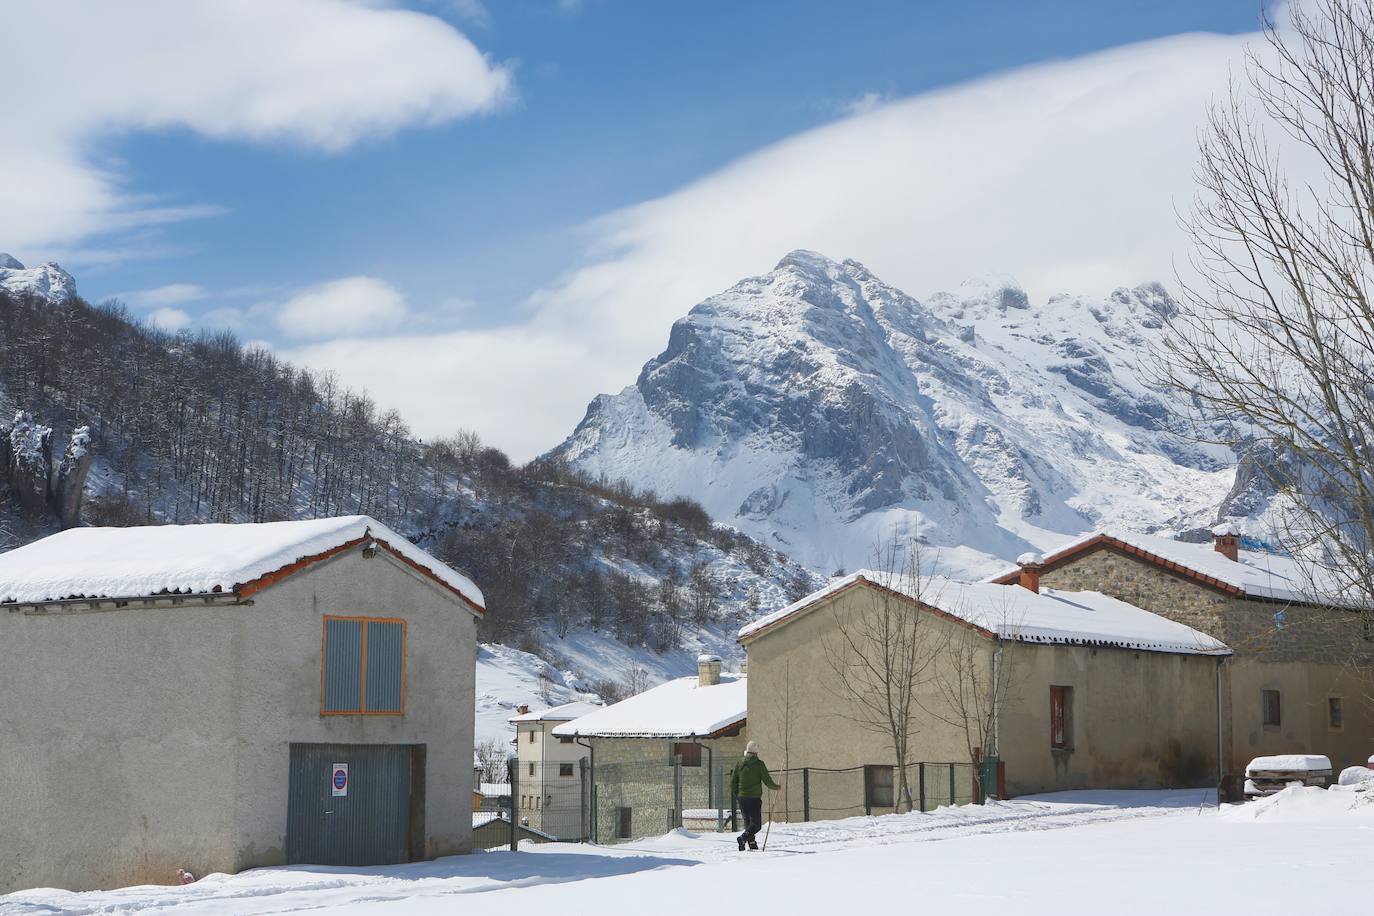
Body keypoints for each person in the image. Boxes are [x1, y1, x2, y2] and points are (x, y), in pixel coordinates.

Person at [730, 740, 779, 851]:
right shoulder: (759, 764)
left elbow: (733, 781)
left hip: (742, 798)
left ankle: (751, 842)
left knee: (748, 822)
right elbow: (767, 781)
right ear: (756, 752)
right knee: (756, 825)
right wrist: (776, 787)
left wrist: (737, 794)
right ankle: (743, 838)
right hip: (754, 798)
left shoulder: (740, 763)